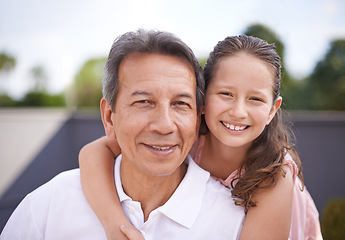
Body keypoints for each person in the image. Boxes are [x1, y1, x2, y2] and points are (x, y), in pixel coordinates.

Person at [0, 29, 245, 240]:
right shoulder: (48, 207)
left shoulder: (235, 222)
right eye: (144, 102)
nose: (164, 125)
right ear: (109, 117)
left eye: (181, 104)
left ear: (198, 119)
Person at [79, 35, 323, 240]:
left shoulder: (275, 174)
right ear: (202, 100)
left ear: (272, 110)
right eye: (226, 94)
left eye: (255, 99)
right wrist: (115, 224)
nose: (238, 112)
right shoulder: (187, 136)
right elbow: (93, 152)